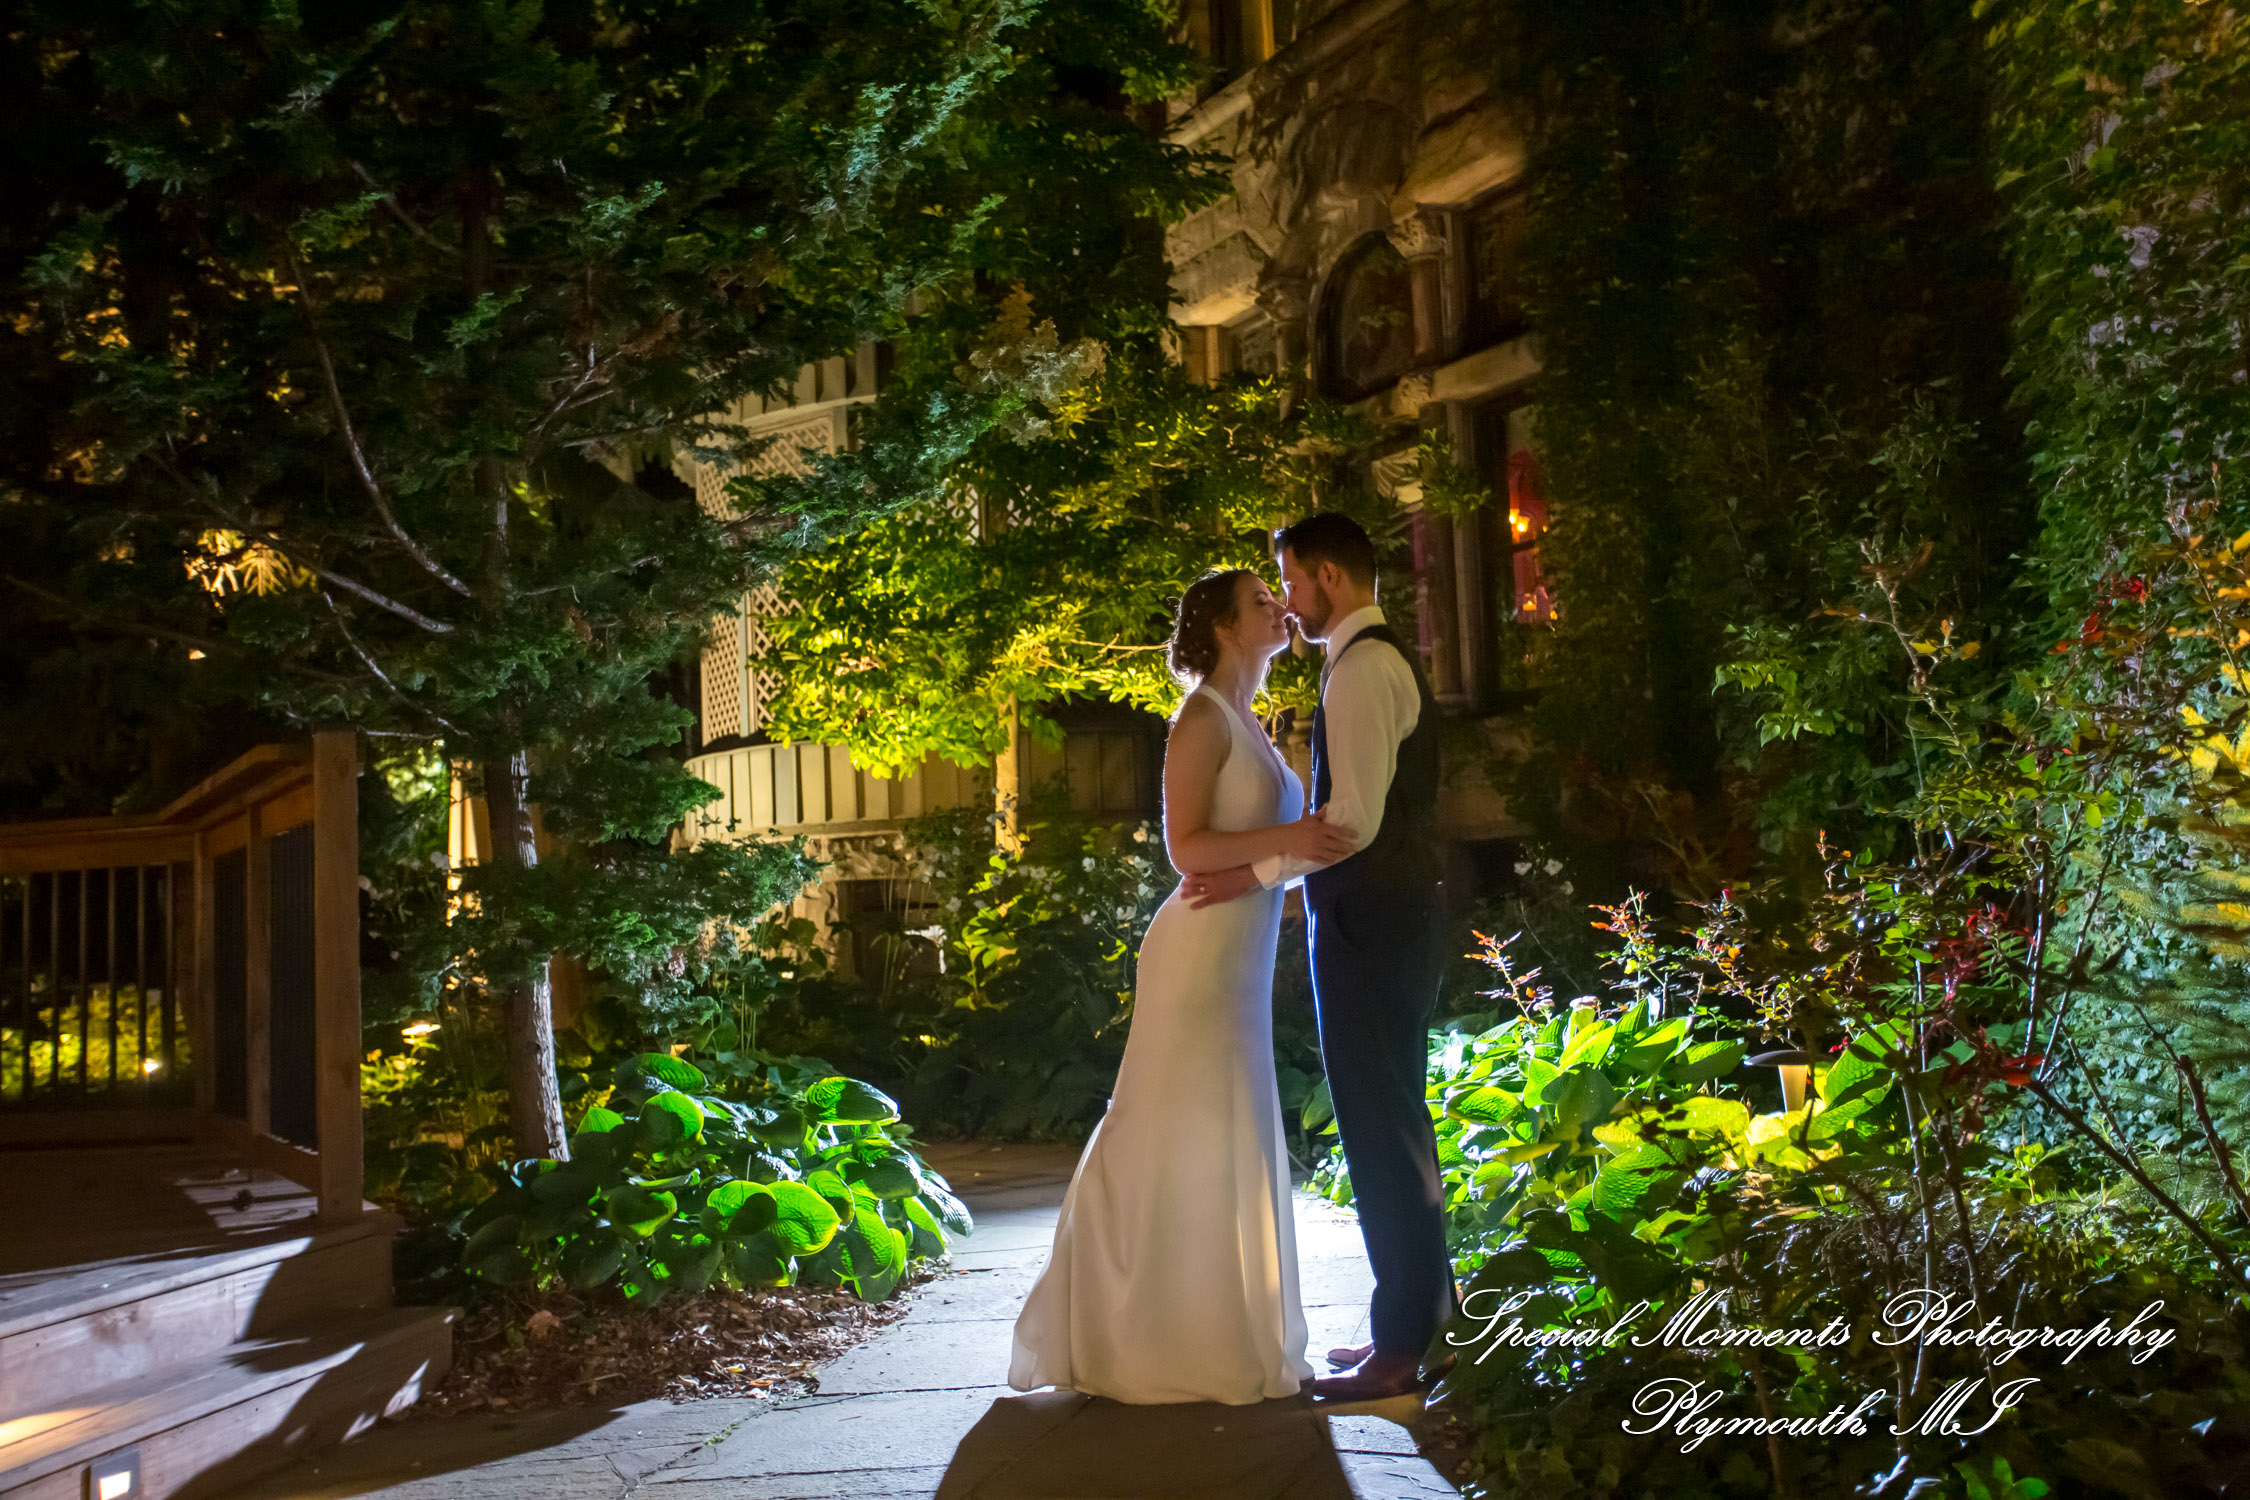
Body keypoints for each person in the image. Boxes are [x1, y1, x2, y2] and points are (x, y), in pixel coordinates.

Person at [1008, 567, 1359, 1405]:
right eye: (1261, 603)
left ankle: (1220, 1329)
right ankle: (1121, 1326)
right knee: (1168, 1126)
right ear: (1226, 628)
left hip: (1239, 958)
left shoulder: (1255, 723)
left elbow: (1278, 853)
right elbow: (1188, 850)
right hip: (1197, 955)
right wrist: (1293, 838)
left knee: (1224, 1131)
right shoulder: (1201, 718)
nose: (1280, 609)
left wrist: (1289, 856)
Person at [1181, 512, 1454, 1406]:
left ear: (1329, 577)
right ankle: (1418, 1325)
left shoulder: (1364, 670)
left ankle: (1405, 1344)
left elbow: (1350, 827)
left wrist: (1255, 874)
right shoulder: (1362, 664)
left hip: (1373, 923)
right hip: (1379, 918)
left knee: (1380, 1128)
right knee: (1390, 1122)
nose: (1289, 605)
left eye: (1291, 584)